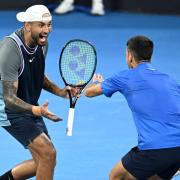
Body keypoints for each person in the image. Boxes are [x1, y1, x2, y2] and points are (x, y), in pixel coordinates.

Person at [84, 36, 180, 180]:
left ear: (129, 56)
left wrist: (96, 82)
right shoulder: (170, 80)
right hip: (178, 150)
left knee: (117, 176)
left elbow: (89, 93)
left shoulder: (124, 77)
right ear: (150, 56)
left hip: (154, 149)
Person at [0, 4, 77, 180]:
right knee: (47, 154)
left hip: (28, 105)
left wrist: (61, 92)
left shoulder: (42, 44)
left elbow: (36, 74)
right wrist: (37, 110)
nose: (47, 30)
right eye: (41, 25)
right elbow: (9, 98)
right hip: (7, 109)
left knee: (44, 161)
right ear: (27, 25)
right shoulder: (10, 50)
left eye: (49, 24)